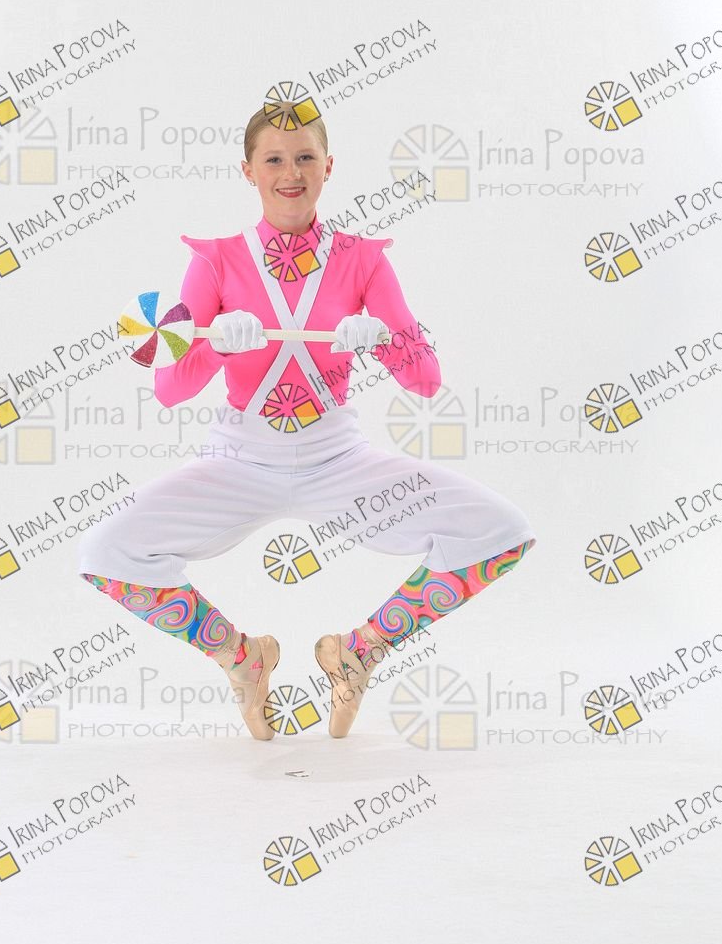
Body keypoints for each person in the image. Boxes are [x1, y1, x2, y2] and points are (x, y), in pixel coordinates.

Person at [77, 103, 537, 740]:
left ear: (328, 166)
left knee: (501, 532)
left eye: (305, 158)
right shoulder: (215, 260)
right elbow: (170, 390)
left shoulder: (362, 259)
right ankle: (240, 655)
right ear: (248, 171)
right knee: (105, 551)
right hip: (238, 460)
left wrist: (381, 339)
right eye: (273, 160)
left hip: (336, 459)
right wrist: (218, 344)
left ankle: (360, 650)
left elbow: (425, 380)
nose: (290, 173)